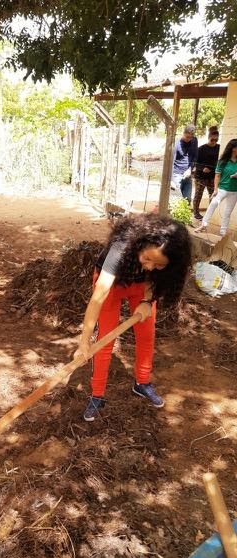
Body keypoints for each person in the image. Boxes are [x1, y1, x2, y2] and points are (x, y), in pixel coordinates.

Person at [74, 214, 191, 422]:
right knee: (105, 340)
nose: (149, 266)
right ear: (142, 243)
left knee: (146, 335)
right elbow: (97, 298)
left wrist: (147, 301)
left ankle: (142, 383)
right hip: (112, 287)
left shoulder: (159, 266)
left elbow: (154, 280)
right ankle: (97, 395)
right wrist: (84, 342)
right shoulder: (121, 248)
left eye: (158, 265)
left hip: (141, 289)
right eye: (147, 258)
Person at [195, 139, 237, 237]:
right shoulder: (223, 161)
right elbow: (217, 176)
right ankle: (204, 225)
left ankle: (223, 233)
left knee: (228, 212)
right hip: (222, 188)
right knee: (213, 204)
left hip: (235, 191)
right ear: (233, 149)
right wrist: (215, 189)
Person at [192, 126, 220, 221]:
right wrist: (202, 168)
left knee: (213, 195)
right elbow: (194, 163)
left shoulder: (219, 148)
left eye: (216, 140)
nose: (214, 142)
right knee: (198, 194)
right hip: (200, 176)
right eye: (212, 140)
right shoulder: (201, 149)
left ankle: (210, 213)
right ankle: (196, 213)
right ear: (208, 138)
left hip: (212, 176)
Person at [172, 124, 198, 203]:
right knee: (178, 201)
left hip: (188, 174)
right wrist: (171, 180)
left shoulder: (194, 140)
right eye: (187, 137)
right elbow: (171, 163)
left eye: (191, 137)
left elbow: (195, 156)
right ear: (184, 133)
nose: (189, 139)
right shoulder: (176, 144)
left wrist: (190, 169)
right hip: (177, 174)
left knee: (188, 199)